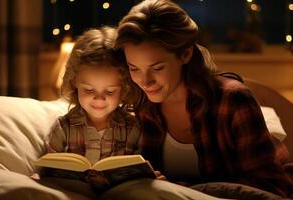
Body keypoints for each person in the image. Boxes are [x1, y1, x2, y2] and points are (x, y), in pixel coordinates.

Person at [112, 0, 293, 198]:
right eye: (134, 68)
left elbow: (271, 189)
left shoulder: (232, 100)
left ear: (186, 54)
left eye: (157, 68)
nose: (144, 81)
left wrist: (176, 189)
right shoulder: (142, 105)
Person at [44, 26, 141, 176]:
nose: (99, 98)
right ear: (74, 82)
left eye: (109, 91)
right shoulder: (62, 128)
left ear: (124, 88)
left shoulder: (133, 129)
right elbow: (47, 168)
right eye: (89, 90)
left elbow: (141, 171)